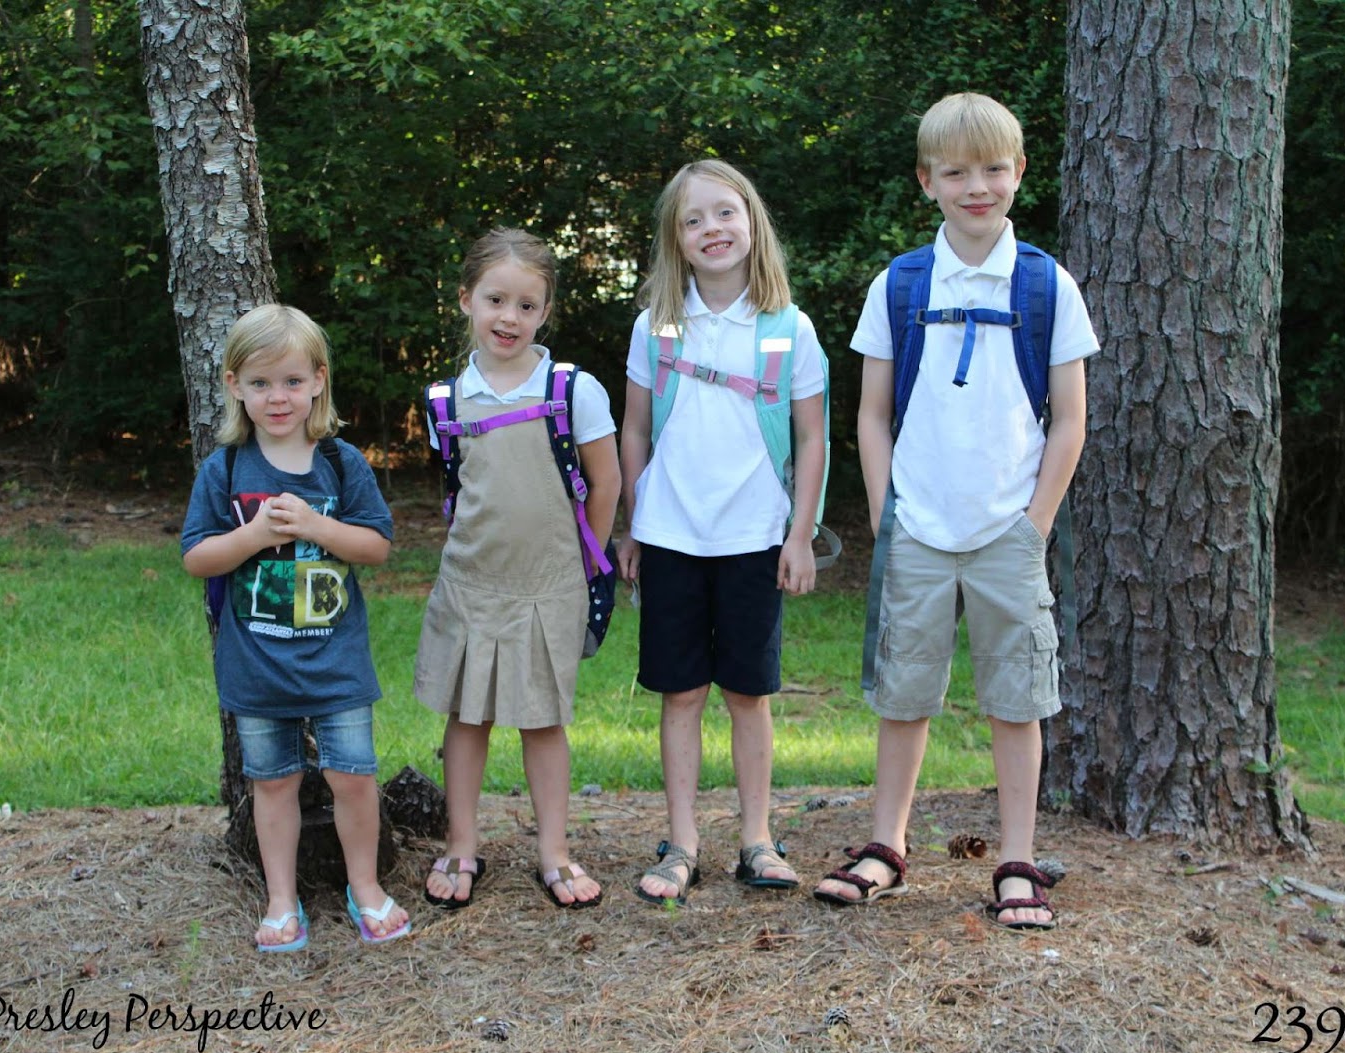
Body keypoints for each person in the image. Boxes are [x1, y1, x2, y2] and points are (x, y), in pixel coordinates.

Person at [812, 93, 1098, 930]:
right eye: (956, 172)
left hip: (1009, 530)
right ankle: (885, 846)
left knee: (1018, 698)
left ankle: (1018, 861)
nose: (977, 187)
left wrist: (1035, 522)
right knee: (904, 695)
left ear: (1020, 173)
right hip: (918, 530)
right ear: (926, 180)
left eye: (993, 169)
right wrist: (885, 511)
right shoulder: (900, 285)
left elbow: (1070, 419)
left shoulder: (1046, 285)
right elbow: (871, 414)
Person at [616, 159, 826, 904]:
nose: (712, 229)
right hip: (672, 535)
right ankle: (682, 843)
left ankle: (757, 840)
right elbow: (634, 429)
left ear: (752, 223)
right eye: (694, 219)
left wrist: (800, 535)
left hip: (755, 537)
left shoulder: (786, 326)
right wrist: (634, 524)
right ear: (675, 238)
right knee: (681, 694)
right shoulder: (657, 326)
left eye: (725, 212)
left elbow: (811, 437)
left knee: (747, 693)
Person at [181, 303, 410, 950]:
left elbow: (376, 546)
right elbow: (197, 558)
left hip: (337, 661)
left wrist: (315, 525)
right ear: (234, 386)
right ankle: (282, 901)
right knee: (273, 781)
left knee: (353, 777)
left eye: (290, 381)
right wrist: (253, 536)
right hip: (257, 662)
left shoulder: (340, 462)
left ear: (317, 381)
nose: (276, 397)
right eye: (259, 383)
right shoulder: (226, 469)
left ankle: (365, 887)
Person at [414, 228, 620, 910]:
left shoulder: (572, 390)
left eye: (526, 305)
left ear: (545, 311)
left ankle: (554, 852)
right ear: (466, 299)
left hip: (550, 586)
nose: (509, 317)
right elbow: (459, 488)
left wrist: (585, 567)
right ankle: (461, 845)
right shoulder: (444, 401)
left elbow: (606, 481)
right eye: (495, 300)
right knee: (466, 717)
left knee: (543, 721)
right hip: (471, 583)